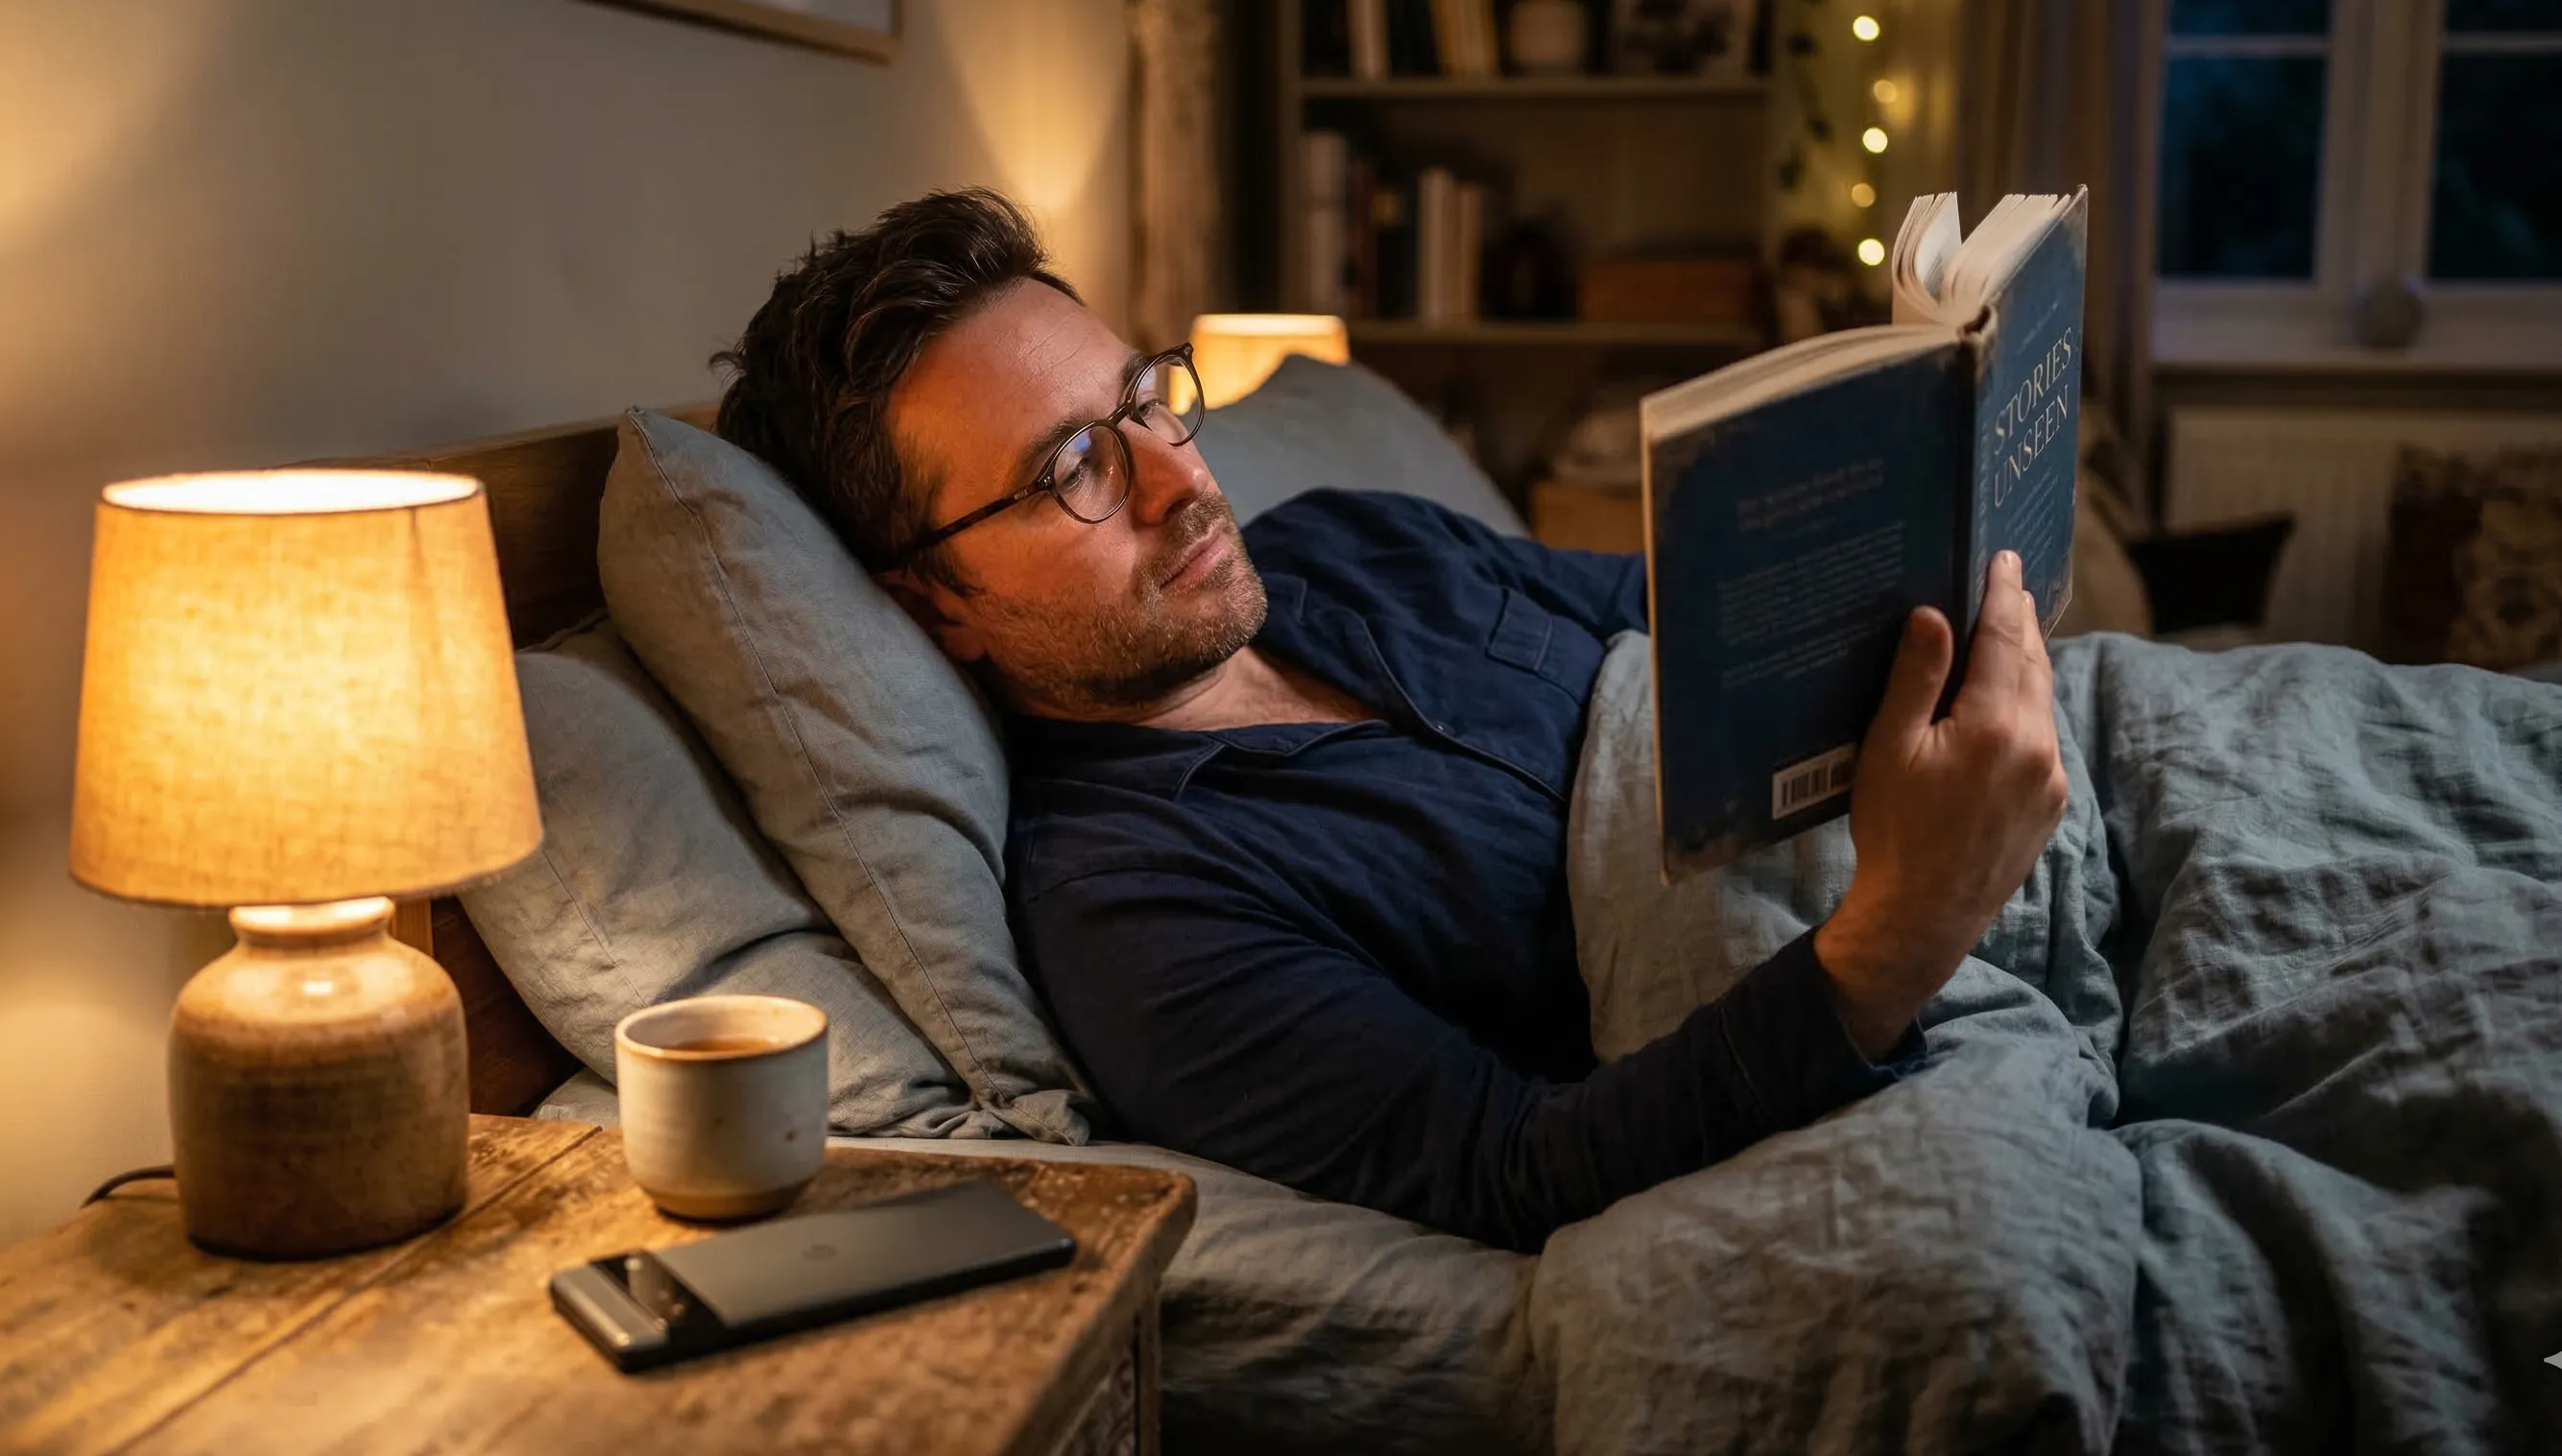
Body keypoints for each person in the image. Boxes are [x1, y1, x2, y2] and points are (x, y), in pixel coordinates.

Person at [713, 189, 2069, 1253]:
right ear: (936, 604)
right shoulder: (1136, 912)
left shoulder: (1344, 541)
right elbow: (1520, 1165)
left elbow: (1679, 611)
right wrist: (1902, 933)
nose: (1179, 480)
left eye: (1144, 400)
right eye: (1074, 467)